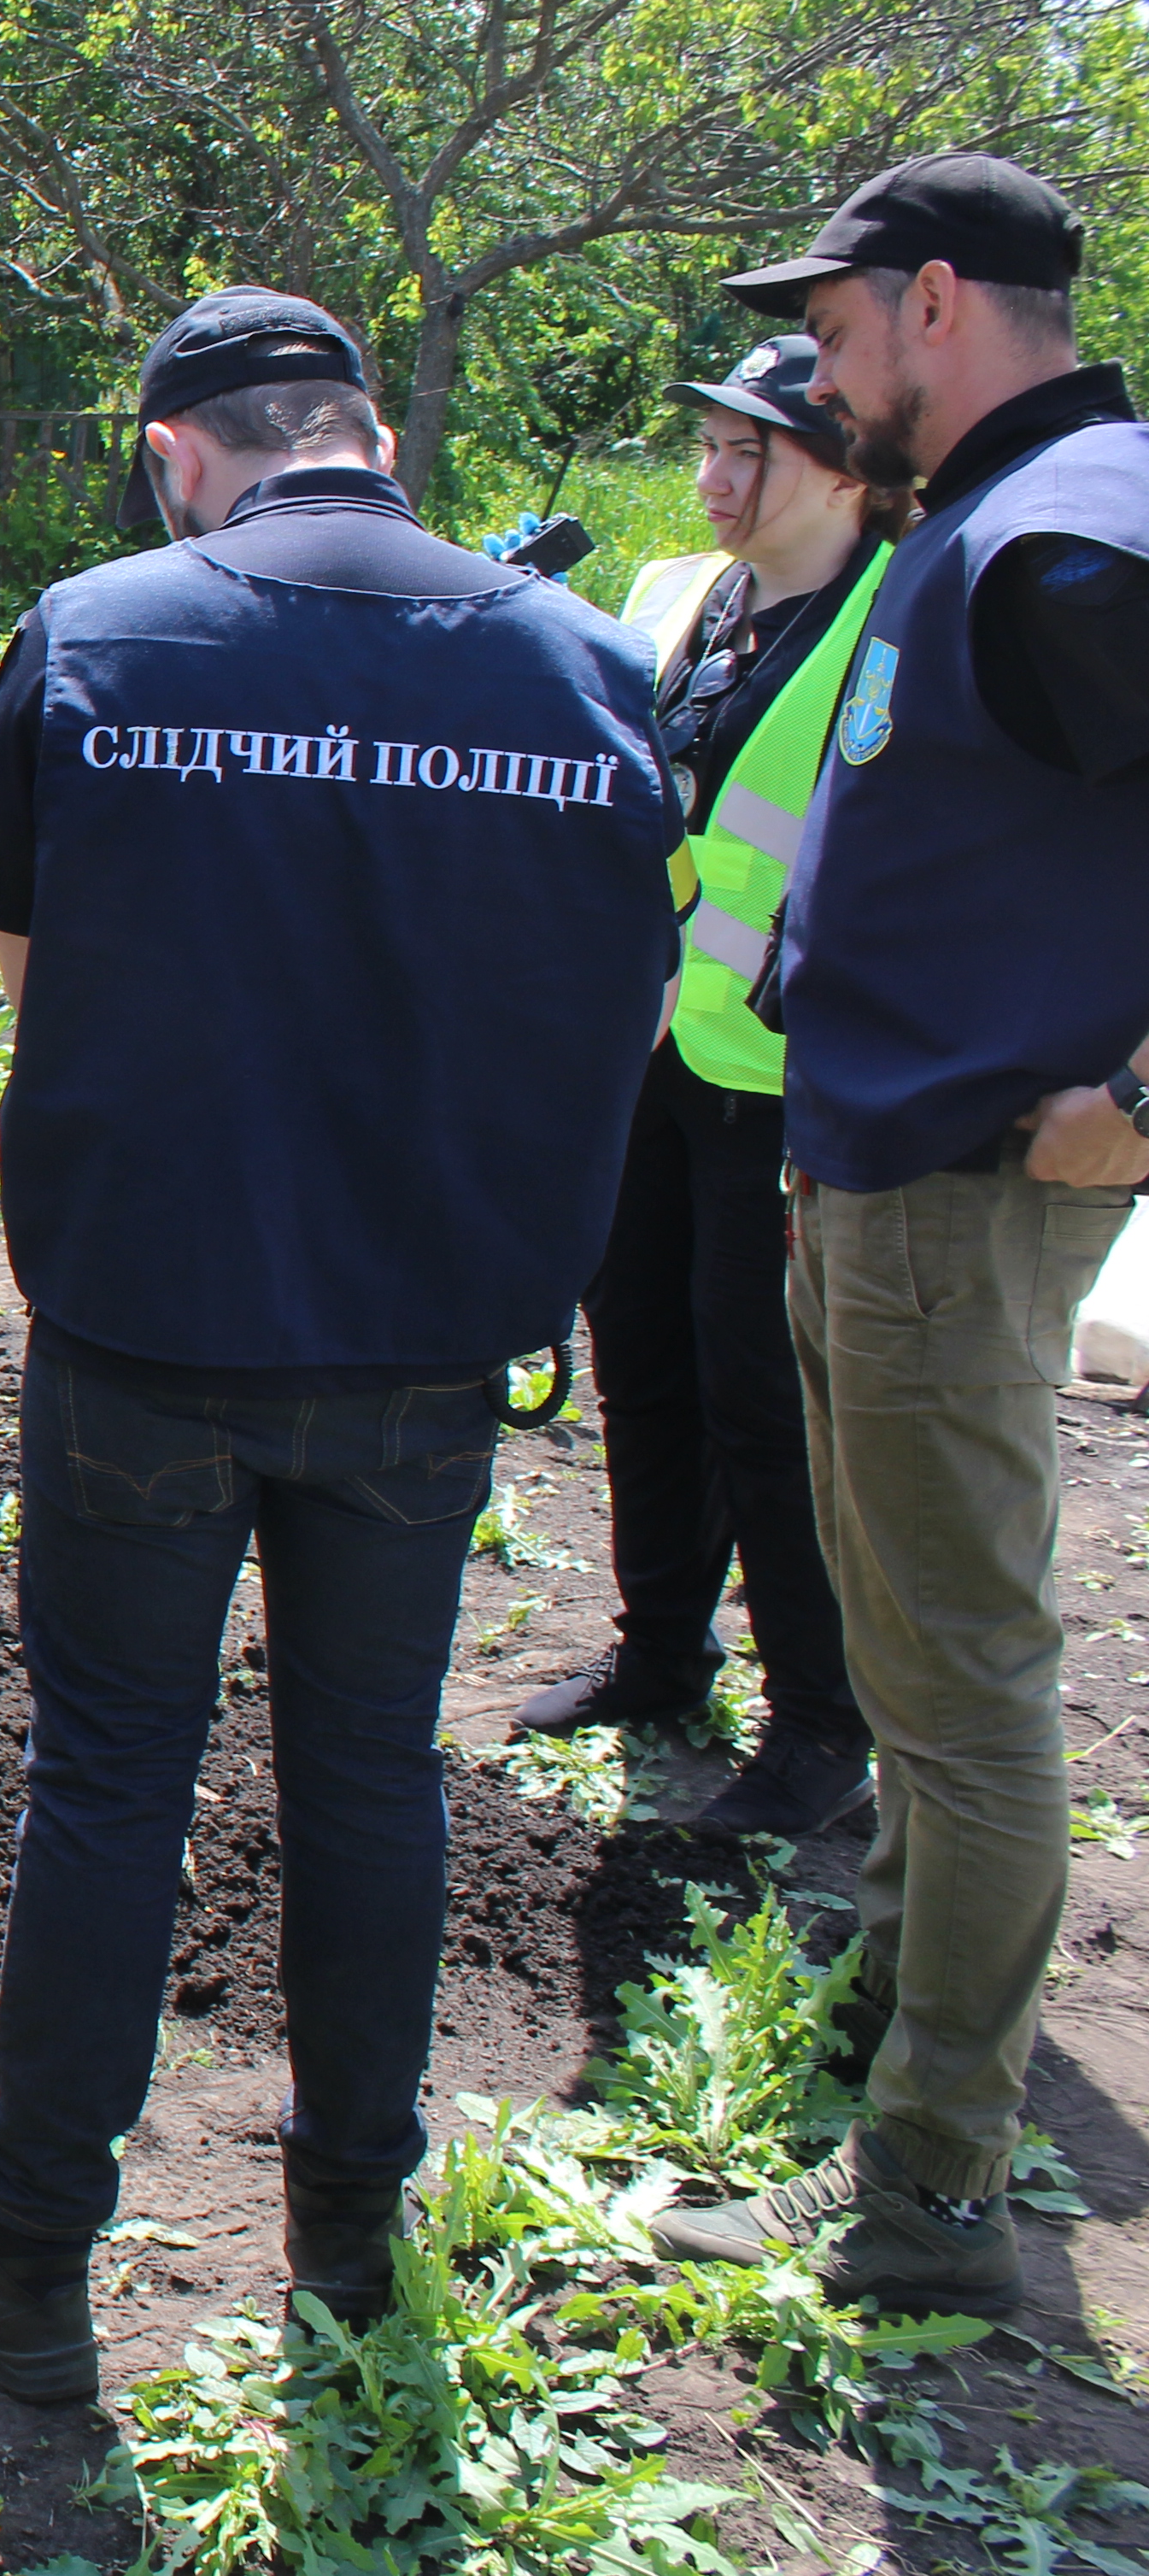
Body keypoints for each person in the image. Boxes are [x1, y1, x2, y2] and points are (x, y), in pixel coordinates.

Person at [0, 290, 678, 2402]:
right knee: (371, 1767)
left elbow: (34, 958)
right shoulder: (578, 660)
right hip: (416, 1324)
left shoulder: (104, 630)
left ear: (171, 452)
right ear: (372, 435)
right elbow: (608, 988)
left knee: (111, 1773)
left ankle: (26, 2257)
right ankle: (350, 2230)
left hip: (150, 1309)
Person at [648, 153, 1149, 2309]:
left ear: (934, 299)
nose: (817, 374)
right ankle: (872, 2053)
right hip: (867, 1166)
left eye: (833, 331)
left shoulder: (1073, 534)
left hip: (962, 1188)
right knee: (911, 1654)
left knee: (959, 1691)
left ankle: (929, 2178)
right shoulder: (982, 515)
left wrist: (1135, 1103)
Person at [507, 337, 900, 1834]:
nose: (715, 478)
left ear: (845, 471)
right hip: (647, 1053)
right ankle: (659, 1649)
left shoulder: (893, 624)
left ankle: (816, 1723)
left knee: (764, 1400)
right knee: (642, 1363)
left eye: (755, 454)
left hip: (789, 1088)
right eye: (709, 447)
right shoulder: (679, 593)